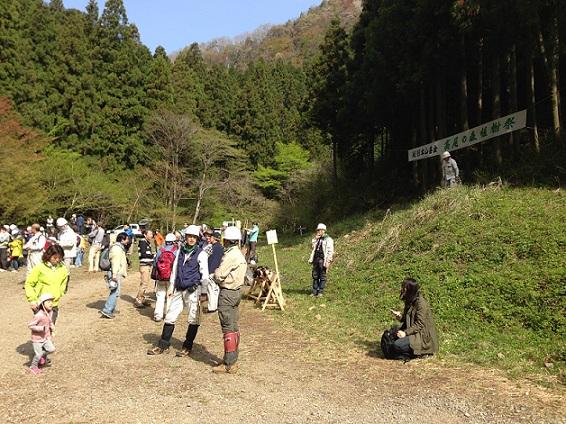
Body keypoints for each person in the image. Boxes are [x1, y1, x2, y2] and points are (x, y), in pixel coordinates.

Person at [147, 225, 209, 357]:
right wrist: (171, 287)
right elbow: (174, 270)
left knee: (193, 319)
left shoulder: (201, 254)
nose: (191, 239)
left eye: (194, 237)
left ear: (197, 238)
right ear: (185, 237)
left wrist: (203, 293)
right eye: (189, 236)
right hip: (179, 289)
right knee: (169, 317)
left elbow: (205, 274)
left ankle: (187, 346)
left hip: (194, 290)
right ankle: (163, 345)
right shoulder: (180, 251)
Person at [212, 226, 247, 374]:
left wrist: (214, 274)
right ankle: (232, 359)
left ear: (225, 240)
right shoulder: (238, 253)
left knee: (228, 328)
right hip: (237, 292)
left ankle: (228, 363)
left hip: (227, 293)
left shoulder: (230, 255)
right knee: (233, 326)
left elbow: (220, 274)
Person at [390, 278, 438, 359]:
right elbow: (408, 318)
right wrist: (400, 316)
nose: (402, 289)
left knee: (397, 345)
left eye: (404, 287)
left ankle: (422, 352)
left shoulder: (421, 304)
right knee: (390, 338)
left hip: (421, 336)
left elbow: (419, 324)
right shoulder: (409, 300)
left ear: (410, 289)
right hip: (412, 332)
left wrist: (405, 333)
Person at [24, 245, 68, 325]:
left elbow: (63, 283)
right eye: (55, 258)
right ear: (49, 256)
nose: (57, 260)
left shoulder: (63, 269)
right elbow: (29, 284)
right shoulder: (40, 267)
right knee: (41, 329)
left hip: (53, 304)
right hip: (40, 304)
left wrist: (60, 293)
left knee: (50, 328)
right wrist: (32, 300)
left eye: (60, 258)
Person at [99, 233, 129, 319]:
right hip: (115, 273)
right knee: (115, 292)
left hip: (116, 273)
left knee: (115, 292)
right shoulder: (117, 249)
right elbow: (115, 262)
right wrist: (114, 275)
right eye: (127, 239)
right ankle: (107, 310)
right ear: (122, 240)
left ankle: (111, 308)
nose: (128, 241)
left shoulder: (119, 248)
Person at [28, 293, 57, 375]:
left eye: (51, 301)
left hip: (46, 337)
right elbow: (30, 325)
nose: (51, 303)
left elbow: (50, 321)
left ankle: (42, 357)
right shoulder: (39, 315)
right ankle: (33, 367)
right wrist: (41, 328)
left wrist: (52, 328)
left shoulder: (50, 312)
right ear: (42, 304)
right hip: (37, 339)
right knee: (38, 354)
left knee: (51, 349)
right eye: (48, 302)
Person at [152, 233, 179, 322]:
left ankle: (158, 315)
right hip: (171, 276)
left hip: (160, 277)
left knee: (160, 295)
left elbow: (155, 263)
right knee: (170, 296)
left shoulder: (161, 250)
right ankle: (168, 315)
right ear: (173, 241)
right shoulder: (176, 251)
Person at [308, 223, 334, 298]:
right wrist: (315, 239)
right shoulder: (317, 239)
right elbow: (312, 247)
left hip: (323, 260)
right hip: (316, 260)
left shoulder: (328, 239)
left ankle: (320, 292)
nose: (318, 231)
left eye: (320, 230)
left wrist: (328, 261)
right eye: (318, 230)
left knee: (322, 276)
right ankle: (314, 291)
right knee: (315, 276)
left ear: (323, 230)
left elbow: (330, 251)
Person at [203, 229, 224, 312]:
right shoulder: (222, 248)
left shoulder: (211, 247)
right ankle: (216, 305)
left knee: (211, 290)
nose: (209, 238)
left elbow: (203, 256)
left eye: (211, 237)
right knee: (216, 289)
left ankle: (212, 307)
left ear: (214, 238)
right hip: (218, 270)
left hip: (211, 270)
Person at [135, 230, 155, 308]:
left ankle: (142, 299)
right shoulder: (143, 242)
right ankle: (138, 300)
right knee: (144, 284)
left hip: (147, 265)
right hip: (144, 265)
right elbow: (143, 254)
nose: (151, 235)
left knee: (145, 283)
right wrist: (153, 255)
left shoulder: (147, 242)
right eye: (150, 234)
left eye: (151, 234)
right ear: (145, 234)